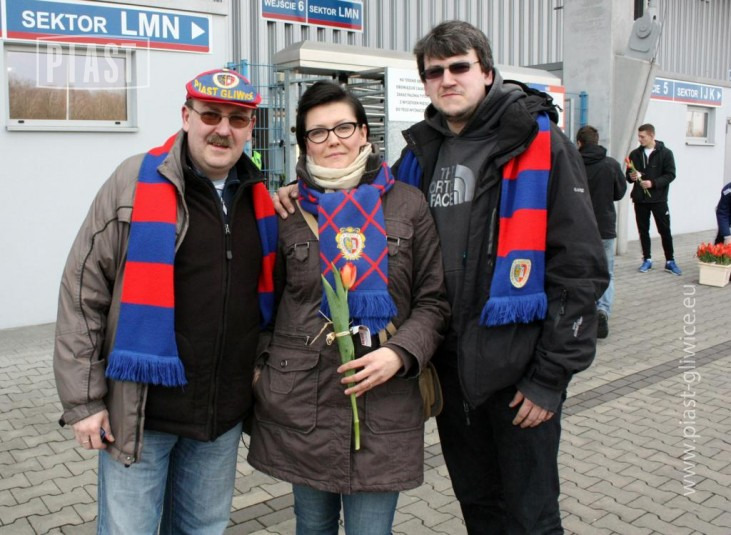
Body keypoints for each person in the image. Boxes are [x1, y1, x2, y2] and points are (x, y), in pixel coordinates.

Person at [274, 21, 608, 535]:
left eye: (459, 67)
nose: (447, 79)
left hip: (517, 370)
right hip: (450, 370)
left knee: (533, 518)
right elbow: (364, 197)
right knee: (479, 509)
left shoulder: (539, 143)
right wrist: (300, 192)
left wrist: (550, 378)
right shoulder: (420, 154)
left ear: (487, 72)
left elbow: (580, 268)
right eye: (435, 71)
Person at [53, 68, 277, 534]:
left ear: (250, 128)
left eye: (237, 119)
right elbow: (83, 289)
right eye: (210, 115)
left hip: (219, 415)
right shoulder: (134, 181)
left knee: (203, 528)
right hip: (142, 413)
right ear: (186, 116)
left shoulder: (260, 199)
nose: (223, 129)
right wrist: (84, 401)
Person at [247, 81, 449, 535]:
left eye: (343, 127)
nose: (333, 140)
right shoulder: (285, 211)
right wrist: (264, 369)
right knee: (311, 527)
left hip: (385, 404)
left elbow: (433, 300)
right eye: (318, 132)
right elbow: (261, 303)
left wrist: (400, 353)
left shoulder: (408, 204)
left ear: (364, 133)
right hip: (303, 404)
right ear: (304, 144)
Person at [576, 125, 627, 339]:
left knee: (580, 272)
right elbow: (620, 192)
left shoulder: (573, 163)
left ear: (579, 143)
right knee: (607, 272)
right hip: (605, 226)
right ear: (597, 141)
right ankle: (602, 310)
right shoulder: (611, 164)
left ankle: (581, 312)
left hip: (579, 227)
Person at [626, 123, 681, 275]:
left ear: (652, 136)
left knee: (665, 230)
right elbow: (628, 176)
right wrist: (631, 176)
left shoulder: (666, 153)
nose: (639, 139)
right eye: (639, 136)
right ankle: (647, 259)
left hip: (659, 200)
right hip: (640, 199)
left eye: (642, 137)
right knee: (643, 231)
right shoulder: (635, 154)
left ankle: (670, 261)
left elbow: (671, 175)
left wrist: (653, 183)